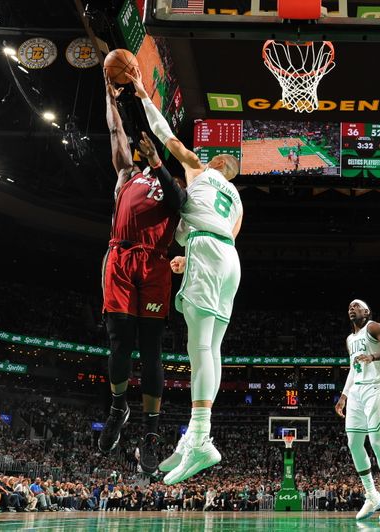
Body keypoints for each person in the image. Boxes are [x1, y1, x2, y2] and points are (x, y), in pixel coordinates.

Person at [124, 69, 243, 485]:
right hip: (228, 261)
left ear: (216, 165)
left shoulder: (202, 172)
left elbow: (164, 133)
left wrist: (142, 95)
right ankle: (195, 435)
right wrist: (189, 259)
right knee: (211, 346)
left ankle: (201, 436)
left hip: (210, 255)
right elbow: (219, 233)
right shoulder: (235, 199)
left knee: (198, 348)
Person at [98, 76, 187, 475]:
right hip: (120, 258)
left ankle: (150, 434)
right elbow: (115, 128)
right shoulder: (125, 176)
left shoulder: (178, 186)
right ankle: (119, 406)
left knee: (152, 350)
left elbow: (177, 198)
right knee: (119, 342)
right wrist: (107, 90)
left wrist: (158, 163)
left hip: (154, 264)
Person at [335, 299, 380, 521]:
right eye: (349, 307)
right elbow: (353, 369)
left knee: (376, 442)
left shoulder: (374, 327)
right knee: (354, 443)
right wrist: (344, 396)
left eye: (356, 306)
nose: (351, 308)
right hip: (356, 391)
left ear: (366, 311)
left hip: (377, 386)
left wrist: (373, 356)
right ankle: (372, 495)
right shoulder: (350, 339)